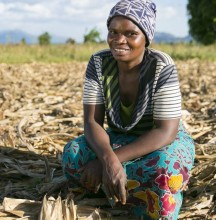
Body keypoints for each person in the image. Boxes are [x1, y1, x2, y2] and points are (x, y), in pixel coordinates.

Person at [62, 0, 195, 219]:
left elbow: (166, 131)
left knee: (163, 169)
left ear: (146, 38)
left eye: (131, 34)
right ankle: (134, 190)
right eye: (113, 31)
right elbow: (92, 122)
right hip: (118, 138)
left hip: (159, 143)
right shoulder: (98, 63)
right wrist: (108, 159)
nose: (119, 40)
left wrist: (110, 161)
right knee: (73, 155)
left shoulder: (162, 66)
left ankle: (122, 189)